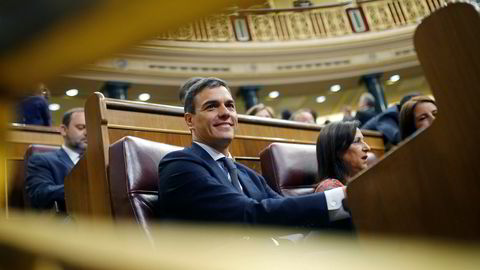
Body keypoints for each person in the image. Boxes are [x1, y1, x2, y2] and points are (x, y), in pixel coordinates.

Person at [157, 77, 350, 227]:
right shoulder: (179, 165)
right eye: (212, 106)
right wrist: (341, 197)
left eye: (230, 105)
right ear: (190, 120)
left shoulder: (247, 174)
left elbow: (284, 213)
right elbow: (248, 214)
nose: (225, 113)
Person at [25, 108, 87, 211]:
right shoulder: (41, 159)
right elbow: (39, 194)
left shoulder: (99, 161)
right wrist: (83, 188)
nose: (87, 132)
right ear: (63, 130)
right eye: (81, 127)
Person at [315, 121, 371, 193]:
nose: (367, 147)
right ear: (336, 150)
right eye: (357, 141)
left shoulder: (362, 182)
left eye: (363, 141)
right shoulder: (329, 188)